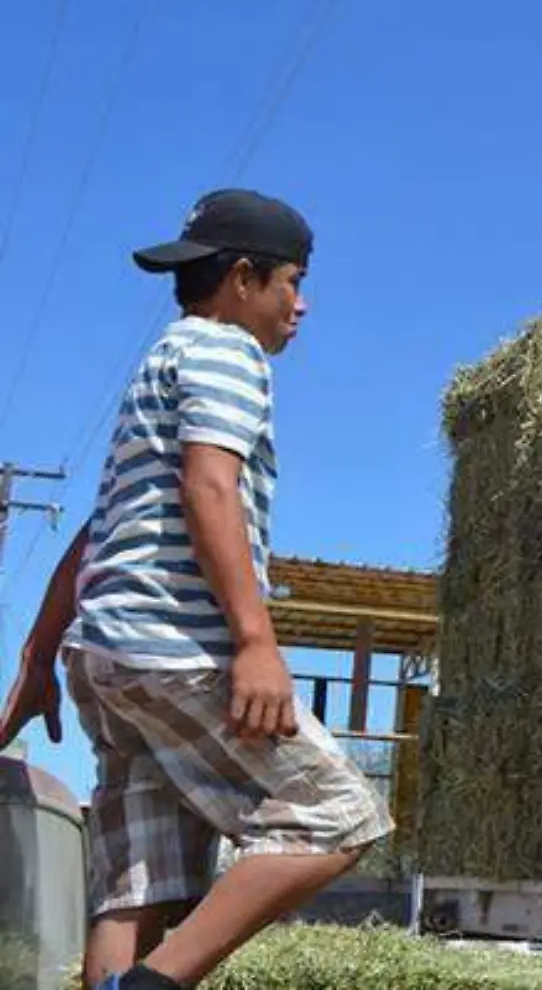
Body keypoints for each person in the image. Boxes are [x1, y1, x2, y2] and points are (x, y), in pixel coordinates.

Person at [0, 189, 393, 990]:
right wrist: (256, 642)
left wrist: (39, 656)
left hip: (106, 655)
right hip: (174, 646)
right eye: (293, 281)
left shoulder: (160, 363)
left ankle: (126, 976)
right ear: (243, 278)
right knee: (338, 814)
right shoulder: (226, 352)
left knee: (139, 883)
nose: (301, 304)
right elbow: (210, 485)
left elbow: (94, 532)